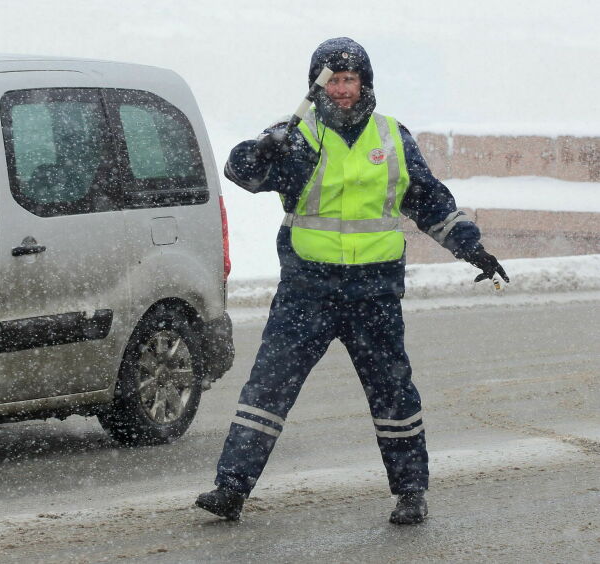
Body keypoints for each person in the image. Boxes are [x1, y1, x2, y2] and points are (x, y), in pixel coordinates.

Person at [195, 37, 508, 524]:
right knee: (268, 389)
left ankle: (410, 493)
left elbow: (429, 201)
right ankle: (230, 489)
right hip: (307, 291)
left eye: (349, 79)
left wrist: (471, 247)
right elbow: (241, 173)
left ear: (364, 83)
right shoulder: (294, 136)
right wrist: (260, 149)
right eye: (332, 80)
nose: (341, 89)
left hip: (373, 293)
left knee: (393, 392)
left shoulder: (391, 136)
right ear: (317, 85)